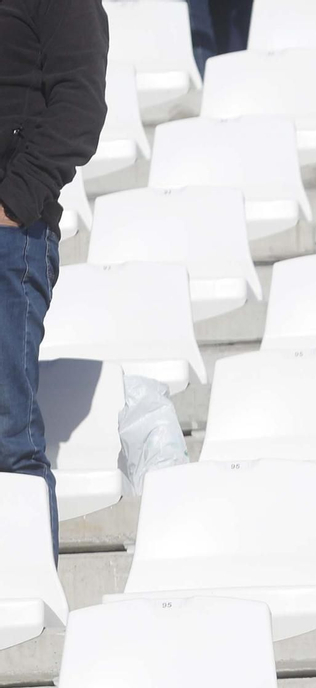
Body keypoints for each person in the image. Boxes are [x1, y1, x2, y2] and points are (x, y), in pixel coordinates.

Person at [0, 0, 108, 556]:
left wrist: (12, 203)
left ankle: (29, 608)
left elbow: (80, 109)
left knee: (7, 441)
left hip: (9, 237)